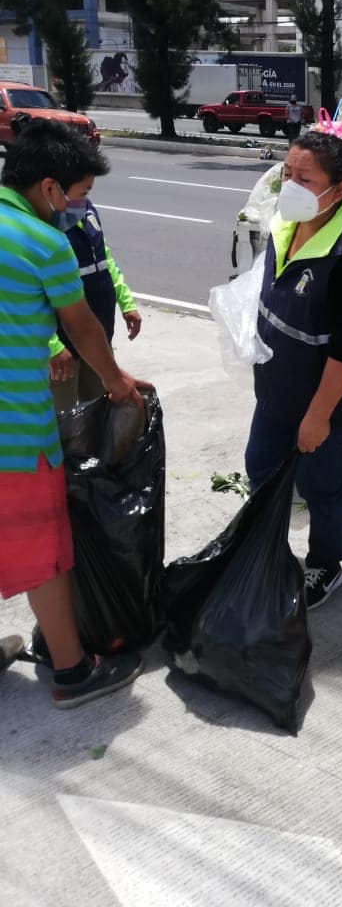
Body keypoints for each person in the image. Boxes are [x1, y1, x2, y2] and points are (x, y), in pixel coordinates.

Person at [0, 120, 147, 708]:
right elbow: (83, 324)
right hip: (15, 433)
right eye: (78, 193)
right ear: (48, 188)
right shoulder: (41, 242)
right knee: (44, 555)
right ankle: (72, 673)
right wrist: (116, 383)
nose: (80, 206)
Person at [245, 131, 342, 609]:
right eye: (288, 172)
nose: (290, 184)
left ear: (340, 189)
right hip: (279, 388)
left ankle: (326, 563)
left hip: (331, 402)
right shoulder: (287, 224)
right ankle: (266, 553)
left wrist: (319, 416)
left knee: (319, 483)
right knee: (261, 468)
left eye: (304, 178)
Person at [48, 194, 142, 412]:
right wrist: (52, 345)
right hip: (61, 348)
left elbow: (105, 259)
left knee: (99, 412)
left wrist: (126, 303)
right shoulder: (42, 223)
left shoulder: (85, 209)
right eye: (81, 189)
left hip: (97, 336)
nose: (85, 195)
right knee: (60, 421)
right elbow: (28, 295)